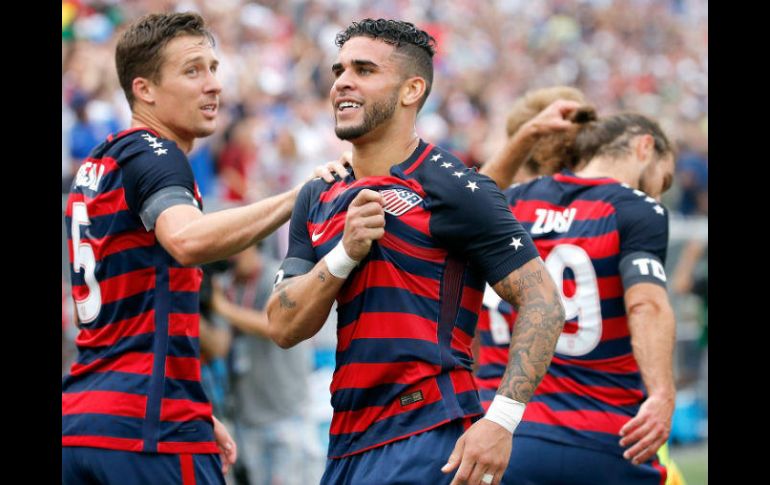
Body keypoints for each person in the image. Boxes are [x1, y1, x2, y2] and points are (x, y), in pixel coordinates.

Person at [266, 19, 566, 485]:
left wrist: (502, 420)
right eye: (339, 69)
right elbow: (283, 326)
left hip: (429, 432)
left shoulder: (454, 186)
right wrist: (344, 254)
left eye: (364, 70)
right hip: (348, 441)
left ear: (411, 90)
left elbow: (543, 300)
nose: (342, 81)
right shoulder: (318, 194)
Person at [62, 12, 345, 484]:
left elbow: (133, 315)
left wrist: (190, 400)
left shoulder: (99, 162)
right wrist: (300, 195)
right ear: (144, 89)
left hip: (85, 420)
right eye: (193, 70)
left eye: (214, 68)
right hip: (148, 427)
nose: (213, 85)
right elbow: (187, 239)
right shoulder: (157, 154)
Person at [476, 111, 678, 485]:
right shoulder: (636, 209)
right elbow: (645, 304)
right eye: (661, 179)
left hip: (498, 433)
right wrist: (663, 394)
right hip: (604, 437)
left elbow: (465, 206)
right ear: (644, 146)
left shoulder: (512, 200)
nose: (657, 192)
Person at [211, 245, 322, 485]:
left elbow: (274, 326)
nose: (232, 252)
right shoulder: (224, 286)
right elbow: (219, 344)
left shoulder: (281, 276)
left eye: (239, 245)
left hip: (288, 412)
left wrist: (223, 308)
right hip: (248, 418)